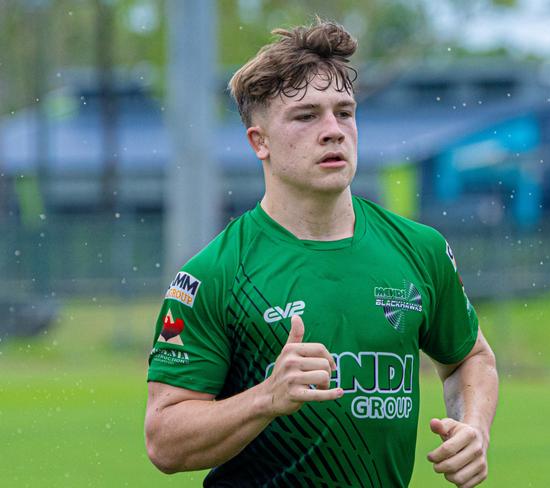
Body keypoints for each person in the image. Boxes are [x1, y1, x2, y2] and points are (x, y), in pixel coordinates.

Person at [145, 19, 498, 488]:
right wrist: (267, 397)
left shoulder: (420, 249)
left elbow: (469, 358)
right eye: (306, 116)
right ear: (260, 142)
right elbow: (164, 441)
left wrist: (473, 429)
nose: (333, 131)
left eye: (344, 112)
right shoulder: (215, 274)